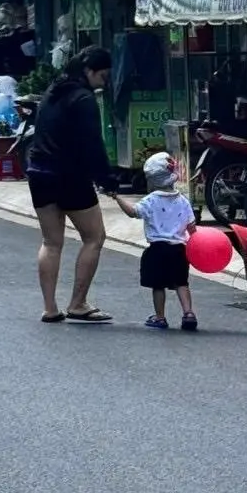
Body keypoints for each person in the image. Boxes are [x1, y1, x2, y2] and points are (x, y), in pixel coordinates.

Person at [27, 46, 116, 324]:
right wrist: (106, 180)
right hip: (70, 175)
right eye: (102, 77)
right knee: (94, 237)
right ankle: (78, 303)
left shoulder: (54, 91)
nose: (103, 83)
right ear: (89, 72)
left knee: (51, 242)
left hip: (39, 171)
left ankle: (50, 307)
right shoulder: (84, 99)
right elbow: (92, 144)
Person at [113, 151, 199, 331]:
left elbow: (133, 212)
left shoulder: (151, 200)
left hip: (157, 249)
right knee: (181, 283)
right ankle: (188, 313)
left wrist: (117, 197)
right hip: (179, 250)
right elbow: (192, 227)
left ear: (151, 180)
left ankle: (160, 317)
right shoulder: (183, 200)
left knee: (158, 285)